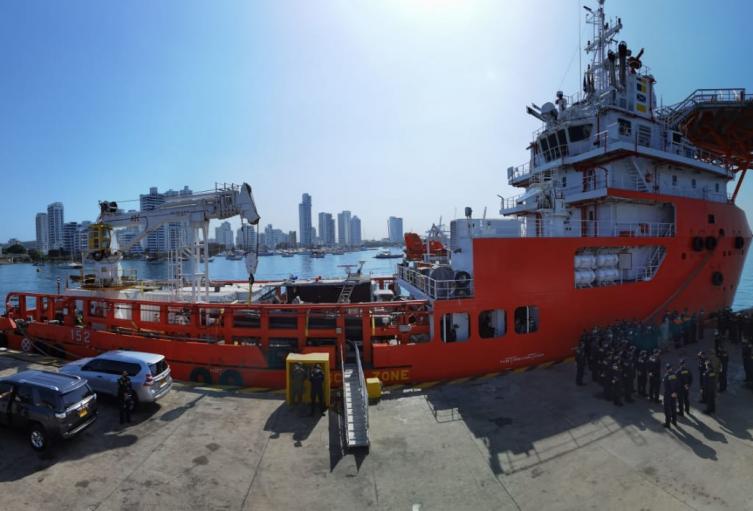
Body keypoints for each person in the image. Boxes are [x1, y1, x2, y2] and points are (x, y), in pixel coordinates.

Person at [662, 363, 678, 429]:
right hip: (674, 394)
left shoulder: (666, 376)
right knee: (673, 408)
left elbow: (666, 387)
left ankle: (667, 423)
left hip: (668, 395)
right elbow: (677, 384)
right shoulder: (675, 375)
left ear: (666, 369)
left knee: (667, 409)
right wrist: (675, 392)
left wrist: (670, 393)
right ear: (671, 368)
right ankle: (674, 421)